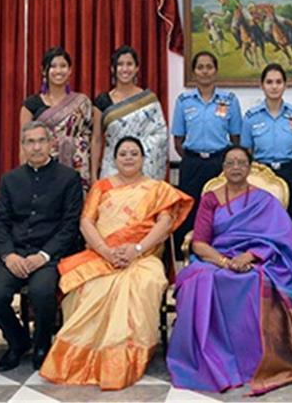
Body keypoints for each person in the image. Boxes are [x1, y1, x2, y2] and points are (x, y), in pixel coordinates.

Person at [40, 137, 192, 390]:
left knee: (143, 284)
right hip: (102, 256)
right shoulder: (101, 187)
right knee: (87, 289)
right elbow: (86, 223)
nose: (129, 157)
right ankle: (84, 359)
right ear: (115, 159)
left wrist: (137, 249)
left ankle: (126, 359)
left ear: (143, 158)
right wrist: (105, 251)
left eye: (134, 153)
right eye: (123, 154)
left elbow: (164, 225)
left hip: (143, 258)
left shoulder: (158, 188)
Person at [167, 146, 292, 395]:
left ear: (249, 167)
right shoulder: (210, 199)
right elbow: (199, 243)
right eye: (230, 163)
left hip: (256, 261)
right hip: (217, 259)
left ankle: (252, 362)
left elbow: (281, 237)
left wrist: (249, 256)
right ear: (223, 168)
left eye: (241, 162)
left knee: (253, 280)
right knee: (201, 280)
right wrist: (226, 263)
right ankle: (212, 359)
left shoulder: (264, 200)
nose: (236, 167)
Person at [0, 121, 83, 372]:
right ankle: (18, 342)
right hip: (15, 252)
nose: (36, 147)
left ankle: (42, 345)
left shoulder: (68, 178)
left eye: (41, 141)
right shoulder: (10, 179)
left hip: (49, 255)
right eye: (30, 142)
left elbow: (70, 226)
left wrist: (44, 255)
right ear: (23, 146)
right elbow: (0, 223)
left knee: (42, 293)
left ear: (52, 144)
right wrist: (8, 255)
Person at [171, 51, 243, 258]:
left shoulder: (229, 100)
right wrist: (194, 157)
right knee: (190, 211)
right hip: (192, 163)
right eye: (200, 67)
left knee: (222, 210)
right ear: (194, 72)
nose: (205, 71)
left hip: (219, 163)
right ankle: (188, 258)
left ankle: (221, 253)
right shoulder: (184, 101)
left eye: (209, 67)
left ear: (216, 71)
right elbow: (178, 140)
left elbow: (236, 137)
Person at [241, 63, 292, 234]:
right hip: (260, 175)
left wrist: (290, 167)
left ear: (285, 85)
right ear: (262, 85)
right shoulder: (251, 117)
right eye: (269, 82)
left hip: (289, 173)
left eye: (278, 82)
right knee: (261, 223)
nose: (274, 86)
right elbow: (247, 150)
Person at [91, 45, 168, 182]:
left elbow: (160, 134)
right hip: (112, 169)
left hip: (143, 172)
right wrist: (93, 176)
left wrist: (135, 154)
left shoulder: (148, 100)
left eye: (129, 64)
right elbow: (97, 139)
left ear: (137, 68)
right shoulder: (103, 101)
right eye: (120, 64)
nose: (125, 69)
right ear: (113, 69)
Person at [20, 46, 92, 190]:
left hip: (77, 166)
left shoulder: (82, 102)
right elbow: (24, 144)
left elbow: (91, 138)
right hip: (43, 165)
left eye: (63, 66)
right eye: (53, 66)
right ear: (44, 71)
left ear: (70, 70)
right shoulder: (32, 104)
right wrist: (25, 175)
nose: (58, 71)